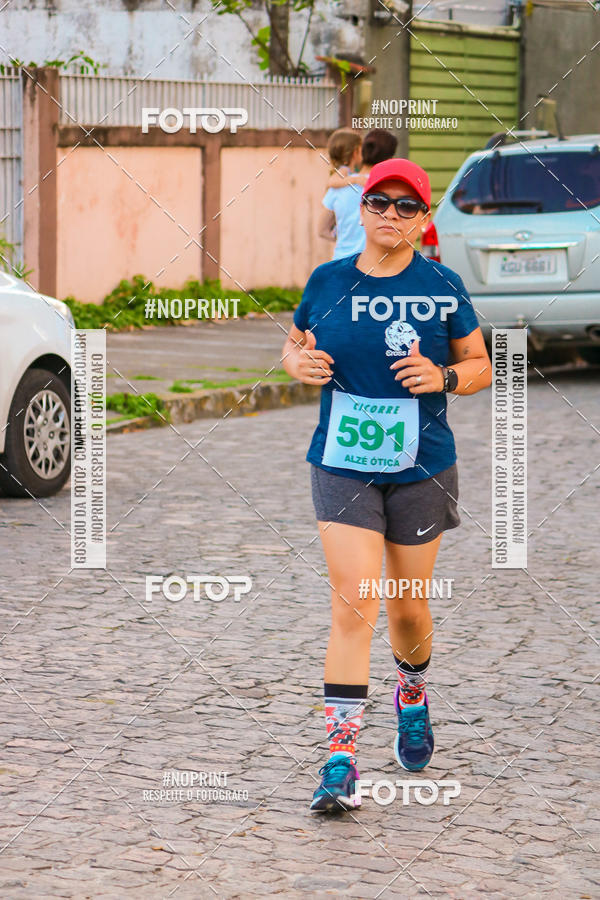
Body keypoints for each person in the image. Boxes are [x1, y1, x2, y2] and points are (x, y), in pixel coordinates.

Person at [282, 157, 492, 813]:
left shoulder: (441, 285)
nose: (391, 215)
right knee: (353, 604)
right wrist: (300, 362)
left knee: (405, 608)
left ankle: (412, 690)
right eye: (380, 203)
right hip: (342, 461)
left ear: (423, 219)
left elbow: (482, 362)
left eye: (407, 206)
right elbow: (293, 344)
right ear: (362, 209)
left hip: (422, 466)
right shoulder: (328, 280)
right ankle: (340, 762)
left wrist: (446, 379)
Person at [318, 129, 398, 260]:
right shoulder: (390, 189)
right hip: (375, 265)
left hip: (341, 262)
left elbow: (322, 230)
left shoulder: (338, 185)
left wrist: (345, 237)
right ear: (390, 159)